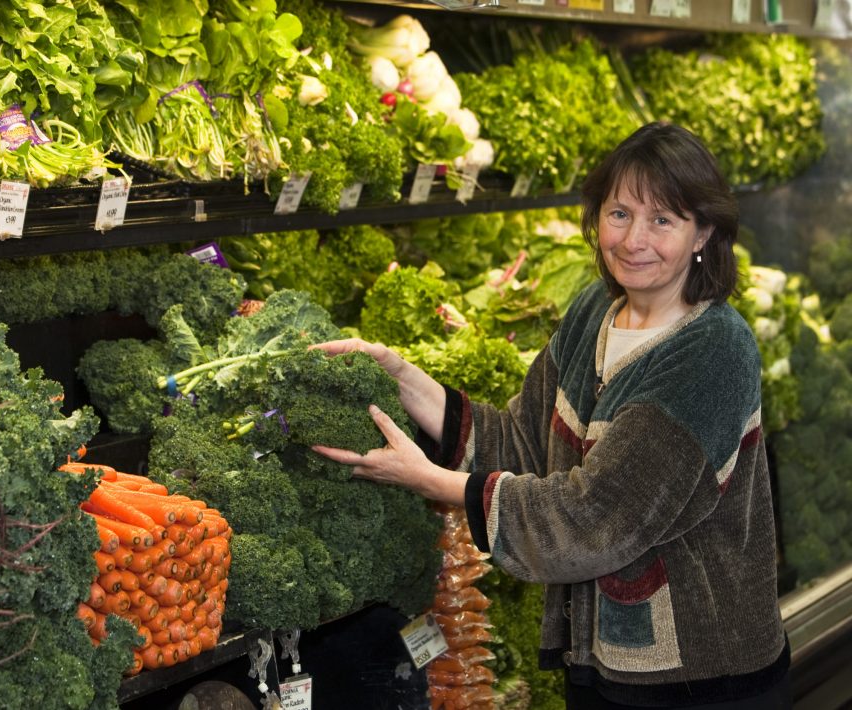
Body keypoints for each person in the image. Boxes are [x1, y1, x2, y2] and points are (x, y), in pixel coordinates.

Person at [312, 122, 791, 709]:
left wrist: (432, 482)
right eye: (619, 214)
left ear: (704, 233)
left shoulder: (711, 352)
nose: (634, 239)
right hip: (599, 656)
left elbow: (593, 518)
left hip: (695, 679)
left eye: (662, 220)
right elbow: (523, 445)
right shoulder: (596, 309)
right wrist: (404, 378)